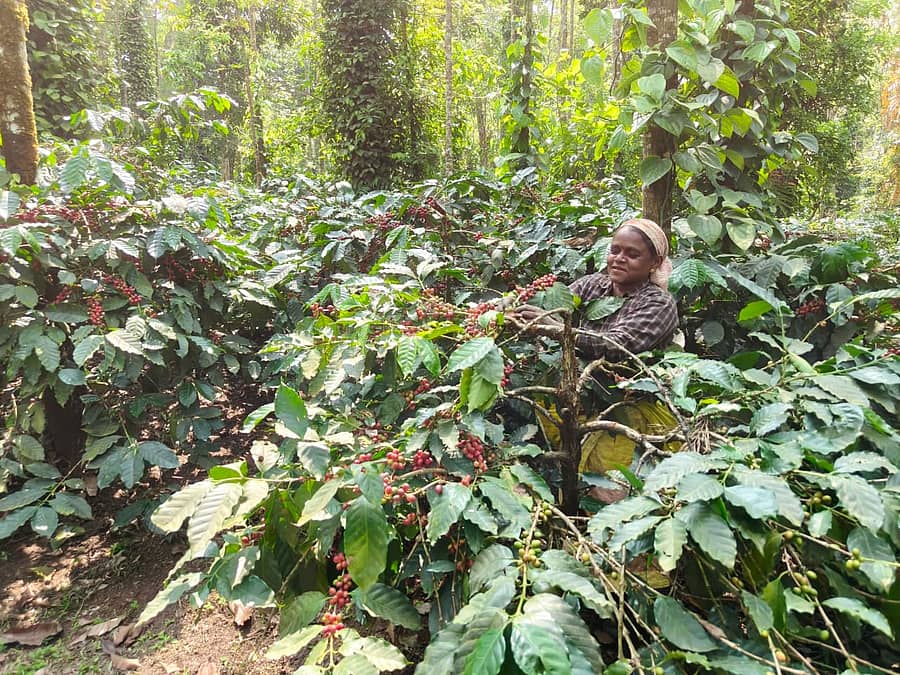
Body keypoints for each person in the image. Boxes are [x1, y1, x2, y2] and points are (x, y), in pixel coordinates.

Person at [509, 217, 681, 485]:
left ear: (654, 263)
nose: (619, 259)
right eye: (615, 250)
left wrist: (559, 330)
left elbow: (616, 346)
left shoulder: (659, 303)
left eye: (632, 254)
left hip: (624, 408)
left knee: (608, 487)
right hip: (573, 398)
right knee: (560, 473)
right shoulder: (592, 285)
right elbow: (551, 309)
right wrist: (513, 310)